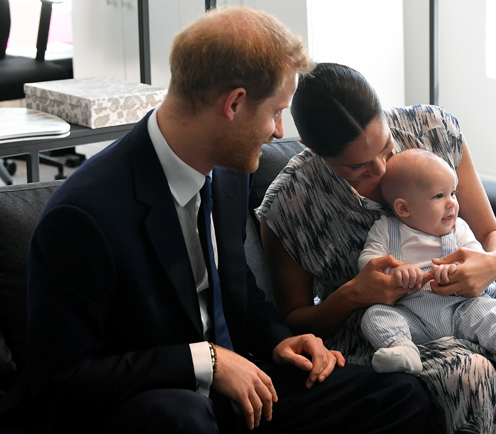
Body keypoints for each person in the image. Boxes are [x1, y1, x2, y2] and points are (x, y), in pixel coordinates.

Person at [26, 7, 431, 434]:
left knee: (400, 395)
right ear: (234, 103)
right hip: (162, 405)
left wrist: (279, 340)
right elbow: (60, 380)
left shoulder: (230, 175)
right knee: (183, 419)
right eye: (276, 111)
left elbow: (236, 290)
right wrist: (207, 361)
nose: (278, 132)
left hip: (243, 393)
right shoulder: (83, 216)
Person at [258, 62, 496, 433]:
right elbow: (294, 320)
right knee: (470, 374)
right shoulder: (290, 202)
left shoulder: (432, 131)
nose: (380, 170)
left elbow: (493, 235)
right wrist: (353, 294)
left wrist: (493, 264)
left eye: (385, 147)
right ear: (311, 148)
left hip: (462, 308)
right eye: (357, 167)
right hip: (381, 334)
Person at [358, 148, 496, 376]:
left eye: (453, 193)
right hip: (410, 314)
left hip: (460, 309)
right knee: (375, 316)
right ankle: (403, 351)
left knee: (489, 310)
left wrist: (458, 269)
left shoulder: (459, 229)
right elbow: (367, 262)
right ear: (403, 208)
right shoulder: (386, 229)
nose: (452, 204)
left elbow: (477, 258)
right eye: (439, 196)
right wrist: (395, 270)